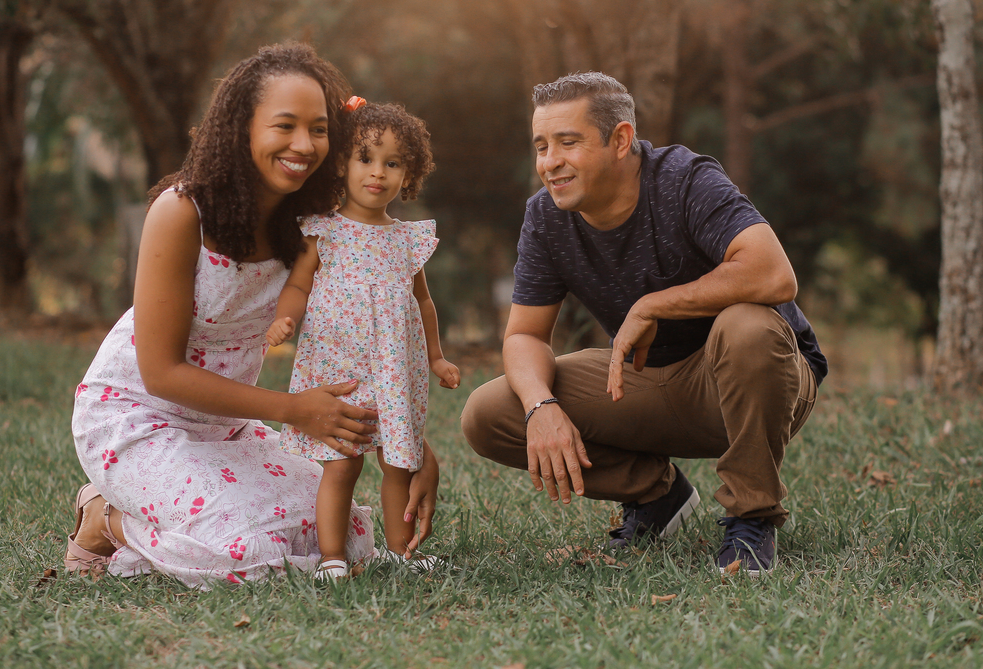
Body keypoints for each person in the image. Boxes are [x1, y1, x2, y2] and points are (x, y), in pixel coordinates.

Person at [67, 44, 440, 589]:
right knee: (251, 554)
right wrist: (293, 411)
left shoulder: (314, 226)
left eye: (318, 129)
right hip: (137, 417)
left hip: (228, 422)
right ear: (242, 127)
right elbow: (161, 374)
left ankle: (171, 523)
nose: (303, 144)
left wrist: (410, 442)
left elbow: (367, 337)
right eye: (284, 126)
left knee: (348, 536)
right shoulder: (182, 214)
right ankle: (105, 517)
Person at [460, 72, 827, 576]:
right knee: (490, 411)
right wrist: (540, 406)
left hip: (749, 377)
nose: (550, 162)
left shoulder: (683, 179)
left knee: (747, 326)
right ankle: (659, 497)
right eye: (542, 146)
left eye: (568, 143)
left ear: (621, 140)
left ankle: (752, 516)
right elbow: (524, 335)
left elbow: (774, 273)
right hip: (644, 379)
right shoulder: (546, 216)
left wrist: (653, 304)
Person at [266, 101, 460, 580]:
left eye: (393, 163)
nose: (378, 173)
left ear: (408, 174)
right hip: (340, 370)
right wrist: (284, 321)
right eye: (366, 158)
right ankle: (332, 557)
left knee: (397, 463)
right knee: (340, 464)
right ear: (341, 165)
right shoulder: (324, 230)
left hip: (394, 371)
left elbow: (424, 303)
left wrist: (436, 357)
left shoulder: (405, 240)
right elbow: (298, 286)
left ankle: (399, 553)